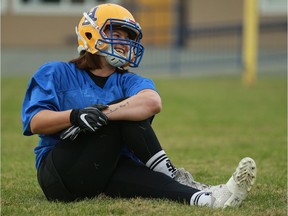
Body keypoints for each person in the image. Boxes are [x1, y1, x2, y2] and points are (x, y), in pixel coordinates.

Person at [21, 3, 257, 208]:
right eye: (117, 34)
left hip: (104, 169)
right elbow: (35, 121)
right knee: (127, 116)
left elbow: (152, 102)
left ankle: (209, 198)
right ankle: (179, 178)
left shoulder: (129, 79)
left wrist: (103, 115)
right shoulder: (57, 72)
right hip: (60, 173)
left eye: (128, 38)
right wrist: (75, 116)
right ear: (91, 33)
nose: (124, 43)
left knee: (153, 182)